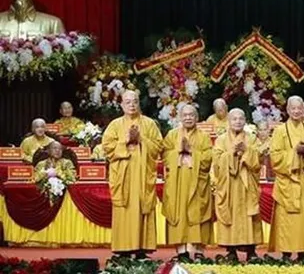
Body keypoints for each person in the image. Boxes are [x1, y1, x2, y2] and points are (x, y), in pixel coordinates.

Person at [101, 90, 163, 259]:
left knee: (142, 207)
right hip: (124, 175)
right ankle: (123, 249)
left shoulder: (149, 124)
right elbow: (107, 148)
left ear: (139, 103)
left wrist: (141, 138)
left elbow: (158, 147)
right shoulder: (115, 125)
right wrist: (126, 140)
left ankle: (142, 249)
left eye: (135, 101)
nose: (132, 105)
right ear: (122, 105)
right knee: (124, 209)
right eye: (128, 102)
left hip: (143, 175)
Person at [268, 96, 304, 263]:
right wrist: (294, 153)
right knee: (286, 218)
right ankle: (286, 253)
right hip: (288, 180)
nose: (296, 111)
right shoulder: (280, 131)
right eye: (292, 108)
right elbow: (275, 156)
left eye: (299, 108)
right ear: (287, 110)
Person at [161, 105, 213, 261]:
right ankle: (181, 250)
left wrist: (192, 153)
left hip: (197, 184)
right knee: (178, 212)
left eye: (192, 115)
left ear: (197, 118)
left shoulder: (204, 137)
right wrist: (178, 151)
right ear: (180, 118)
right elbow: (164, 155)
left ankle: (199, 250)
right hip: (177, 184)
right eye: (185, 115)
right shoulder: (172, 135)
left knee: (198, 213)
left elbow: (209, 157)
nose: (188, 118)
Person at [212, 108, 263, 262]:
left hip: (247, 183)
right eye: (234, 119)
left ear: (245, 121)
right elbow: (216, 162)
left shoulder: (252, 138)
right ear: (228, 121)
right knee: (230, 214)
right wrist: (232, 153)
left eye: (241, 119)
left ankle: (251, 250)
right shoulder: (221, 140)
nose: (238, 121)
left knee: (250, 215)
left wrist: (247, 151)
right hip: (229, 184)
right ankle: (231, 250)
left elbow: (258, 159)